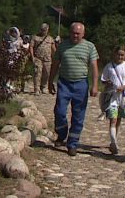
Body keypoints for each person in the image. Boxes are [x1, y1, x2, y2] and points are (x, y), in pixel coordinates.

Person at [48, 22, 99, 156]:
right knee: (59, 111)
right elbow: (55, 64)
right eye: (73, 33)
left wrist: (95, 85)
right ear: (69, 33)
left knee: (78, 116)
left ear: (83, 34)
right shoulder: (63, 46)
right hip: (64, 83)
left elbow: (94, 67)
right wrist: (50, 81)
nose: (75, 35)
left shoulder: (89, 47)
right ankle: (62, 132)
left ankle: (72, 143)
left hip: (81, 84)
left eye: (78, 33)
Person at [100, 46, 125, 155]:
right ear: (114, 54)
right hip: (112, 98)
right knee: (113, 119)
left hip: (123, 98)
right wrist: (108, 83)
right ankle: (113, 142)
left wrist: (124, 87)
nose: (120, 57)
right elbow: (103, 80)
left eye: (122, 55)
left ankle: (115, 139)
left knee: (119, 119)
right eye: (118, 54)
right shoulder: (109, 67)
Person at [30, 23, 57, 94]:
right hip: (38, 58)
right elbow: (31, 47)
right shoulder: (35, 37)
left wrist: (56, 57)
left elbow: (53, 48)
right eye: (42, 30)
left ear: (47, 30)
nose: (43, 31)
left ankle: (44, 87)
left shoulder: (50, 39)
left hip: (47, 59)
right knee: (37, 73)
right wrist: (32, 57)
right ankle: (37, 88)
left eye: (45, 30)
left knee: (47, 73)